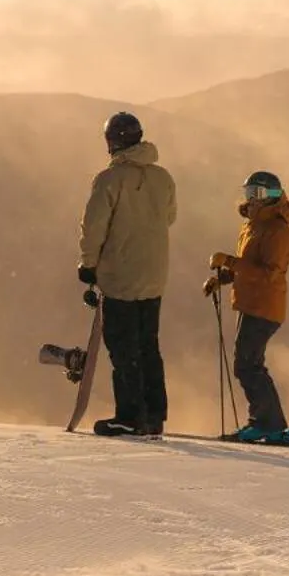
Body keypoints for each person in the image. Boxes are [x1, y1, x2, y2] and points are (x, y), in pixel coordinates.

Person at [76, 111, 177, 437]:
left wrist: (88, 264)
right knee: (149, 345)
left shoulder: (109, 179)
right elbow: (169, 217)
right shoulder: (163, 177)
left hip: (120, 275)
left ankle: (131, 417)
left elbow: (94, 227)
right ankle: (154, 414)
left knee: (123, 348)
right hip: (154, 274)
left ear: (111, 142)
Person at [205, 170, 289, 444]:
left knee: (247, 364)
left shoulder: (277, 230)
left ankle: (266, 423)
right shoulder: (254, 226)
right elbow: (250, 267)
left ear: (271, 196)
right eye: (248, 193)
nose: (251, 199)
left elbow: (269, 274)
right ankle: (270, 423)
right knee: (249, 363)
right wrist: (223, 279)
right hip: (251, 302)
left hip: (264, 304)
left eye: (256, 193)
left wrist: (229, 262)